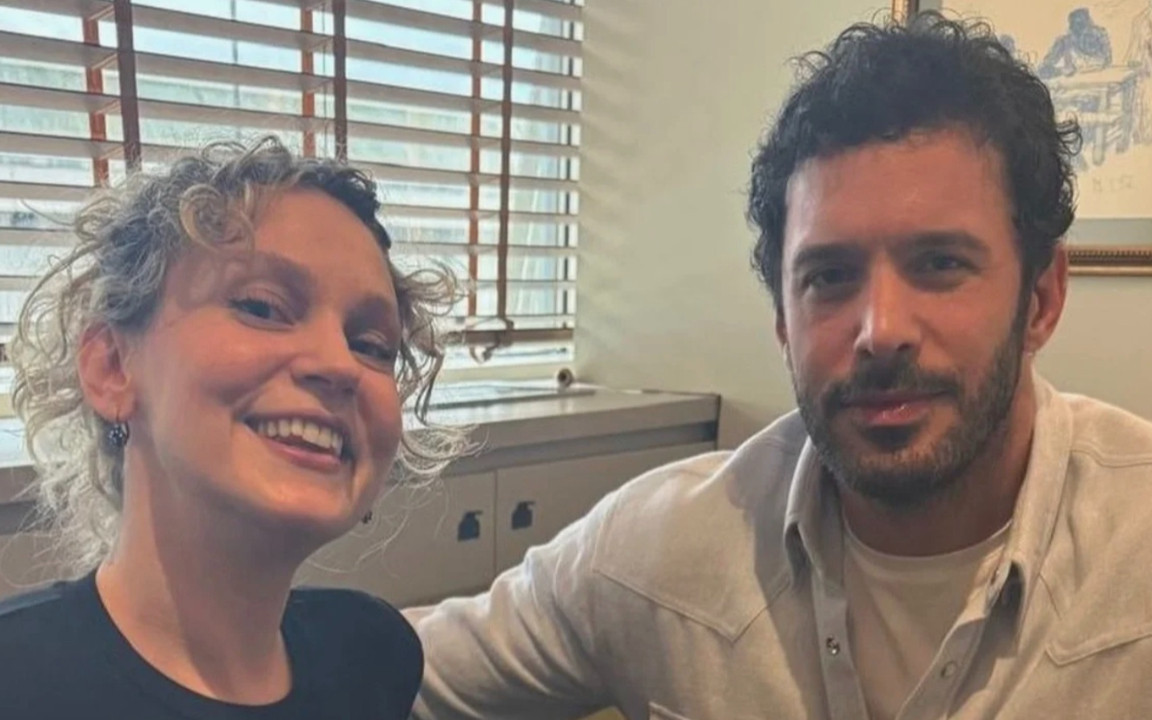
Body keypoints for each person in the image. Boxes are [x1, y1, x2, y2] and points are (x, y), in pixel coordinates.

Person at [406, 12, 1152, 720]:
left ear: (1042, 299)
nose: (881, 332)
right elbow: (397, 671)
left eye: (939, 264)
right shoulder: (664, 553)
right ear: (782, 322)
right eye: (829, 276)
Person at [0, 137, 462, 719]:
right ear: (112, 367)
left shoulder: (373, 658)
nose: (339, 364)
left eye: (371, 345)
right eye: (262, 307)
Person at [1037, 7, 1113, 79]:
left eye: (1081, 23)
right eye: (1076, 24)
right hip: (1071, 76)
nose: (1079, 28)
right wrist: (1061, 70)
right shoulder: (1065, 41)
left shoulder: (1099, 34)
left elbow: (1107, 59)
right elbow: (1046, 65)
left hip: (1097, 73)